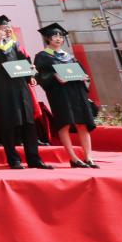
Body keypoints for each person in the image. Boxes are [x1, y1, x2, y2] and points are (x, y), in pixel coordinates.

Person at [0, 18, 53, 170]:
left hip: (20, 88)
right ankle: (14, 160)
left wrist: (30, 74)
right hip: (2, 90)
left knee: (28, 123)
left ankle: (34, 159)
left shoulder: (12, 43)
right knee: (8, 124)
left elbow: (23, 61)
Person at [34, 23, 98, 168]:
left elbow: (83, 74)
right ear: (47, 38)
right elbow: (39, 76)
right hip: (60, 94)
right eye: (54, 36)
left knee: (83, 124)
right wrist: (54, 76)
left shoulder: (69, 56)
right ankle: (74, 158)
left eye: (60, 36)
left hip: (77, 93)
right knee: (65, 124)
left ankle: (89, 157)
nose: (58, 38)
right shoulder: (42, 56)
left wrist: (85, 78)